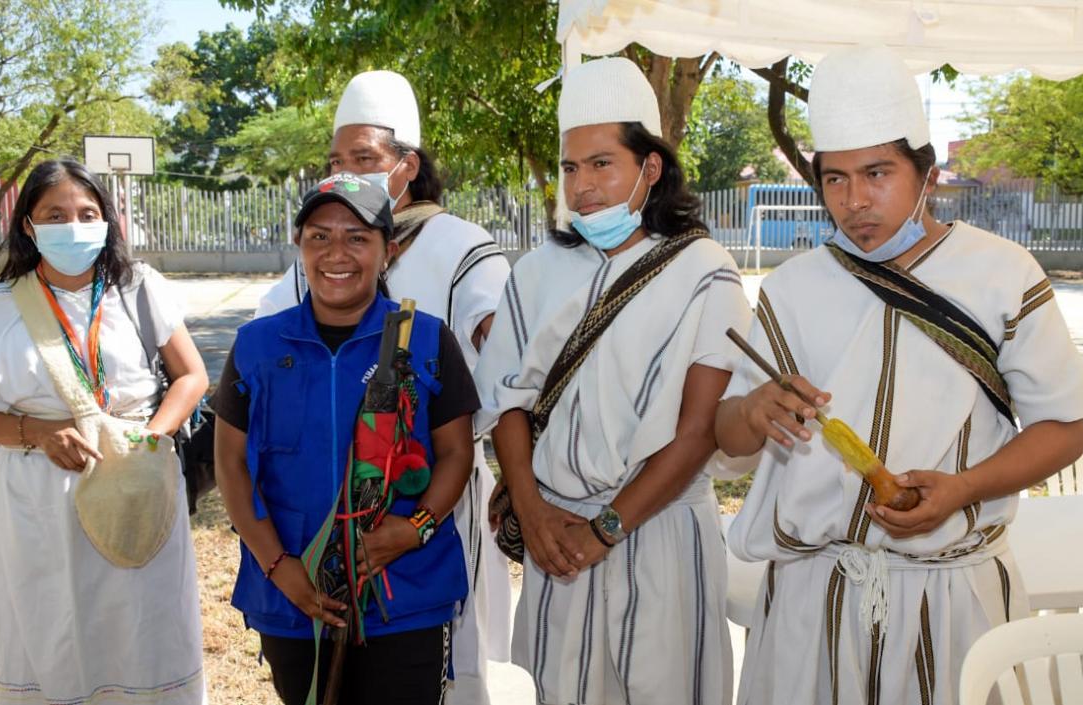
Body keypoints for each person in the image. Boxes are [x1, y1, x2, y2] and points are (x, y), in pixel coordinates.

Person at [714, 46, 1083, 705]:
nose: (854, 200)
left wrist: (966, 487)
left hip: (956, 599)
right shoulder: (795, 288)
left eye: (877, 172)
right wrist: (753, 411)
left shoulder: (1002, 274)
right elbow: (725, 434)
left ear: (926, 171)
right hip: (813, 604)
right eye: (834, 178)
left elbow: (1064, 430)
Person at [472, 56, 751, 705]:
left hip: (659, 541)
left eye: (603, 164)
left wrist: (606, 527)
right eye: (571, 167)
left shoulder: (704, 271)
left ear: (649, 168)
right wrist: (534, 511)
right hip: (555, 548)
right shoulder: (537, 273)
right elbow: (508, 400)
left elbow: (697, 430)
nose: (583, 185)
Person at [255, 70, 511, 704]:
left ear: (407, 166)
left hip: (426, 498)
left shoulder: (462, 246)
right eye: (337, 160)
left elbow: (503, 357)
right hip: (316, 511)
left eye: (365, 159)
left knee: (442, 666)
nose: (348, 171)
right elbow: (263, 354)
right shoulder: (325, 248)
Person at [214, 173, 477, 705]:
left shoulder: (425, 340)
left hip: (406, 595)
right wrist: (277, 565)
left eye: (358, 237)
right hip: (292, 599)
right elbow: (231, 466)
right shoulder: (257, 345)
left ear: (389, 251)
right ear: (300, 246)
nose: (337, 252)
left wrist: (416, 527)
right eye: (319, 236)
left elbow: (456, 453)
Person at [0, 158, 208, 704]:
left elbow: (191, 375)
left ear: (107, 220)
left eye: (87, 212)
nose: (73, 225)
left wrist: (151, 439)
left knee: (142, 620)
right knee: (50, 620)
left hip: (138, 483)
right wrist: (35, 432)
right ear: (28, 225)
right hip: (38, 496)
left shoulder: (139, 288)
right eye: (55, 214)